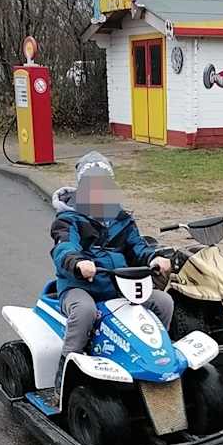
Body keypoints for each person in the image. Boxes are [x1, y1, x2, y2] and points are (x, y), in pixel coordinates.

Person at [49, 152, 173, 399]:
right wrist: (78, 262)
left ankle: (158, 361)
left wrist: (154, 258)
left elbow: (137, 247)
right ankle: (66, 372)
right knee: (84, 312)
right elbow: (64, 248)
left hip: (120, 287)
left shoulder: (122, 219)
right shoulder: (68, 219)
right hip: (80, 287)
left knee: (163, 302)